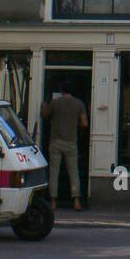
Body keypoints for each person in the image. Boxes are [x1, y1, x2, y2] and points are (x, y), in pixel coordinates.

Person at [40, 80, 87, 211]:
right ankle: (76, 201)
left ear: (61, 90)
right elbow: (84, 123)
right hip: (71, 142)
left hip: (56, 141)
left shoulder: (55, 103)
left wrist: (43, 106)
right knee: (74, 172)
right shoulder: (79, 104)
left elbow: (44, 115)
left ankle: (53, 202)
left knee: (54, 172)